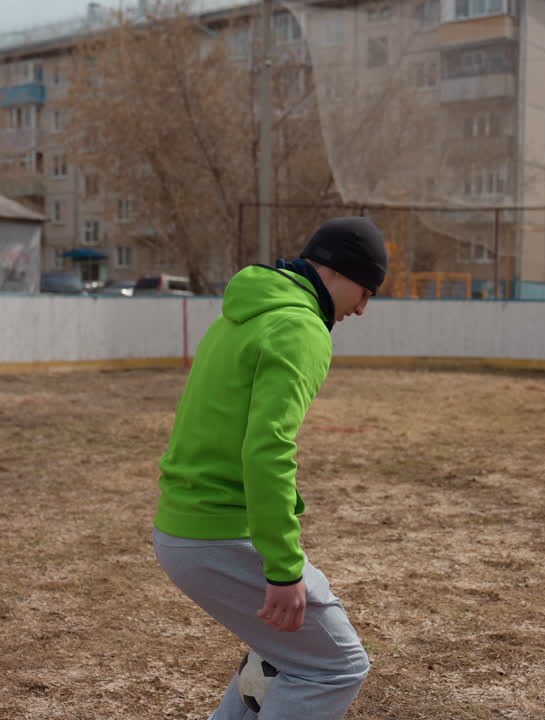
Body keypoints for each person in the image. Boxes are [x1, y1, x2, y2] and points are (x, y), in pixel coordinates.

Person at [152, 217, 388, 720]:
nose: (362, 308)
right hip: (218, 531)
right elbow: (268, 448)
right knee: (336, 666)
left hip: (184, 525)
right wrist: (283, 570)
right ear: (340, 273)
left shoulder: (244, 313)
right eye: (365, 291)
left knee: (285, 655)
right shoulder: (301, 327)